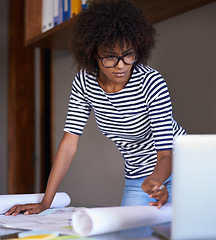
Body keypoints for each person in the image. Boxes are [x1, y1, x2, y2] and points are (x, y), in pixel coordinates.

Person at [6, 0, 186, 216]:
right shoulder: (84, 82)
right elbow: (69, 145)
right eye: (110, 56)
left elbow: (166, 154)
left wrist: (157, 181)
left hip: (179, 169)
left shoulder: (151, 82)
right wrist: (46, 202)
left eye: (128, 54)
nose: (121, 65)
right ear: (94, 54)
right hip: (138, 178)